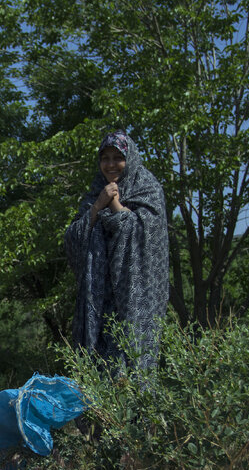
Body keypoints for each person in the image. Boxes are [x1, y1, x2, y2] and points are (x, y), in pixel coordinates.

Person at [64, 130, 170, 373]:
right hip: (98, 303)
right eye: (105, 158)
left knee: (132, 368)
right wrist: (98, 205)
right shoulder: (95, 193)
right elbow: (72, 238)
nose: (111, 165)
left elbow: (146, 238)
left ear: (129, 158)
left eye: (117, 158)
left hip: (135, 300)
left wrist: (115, 205)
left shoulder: (148, 189)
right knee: (97, 373)